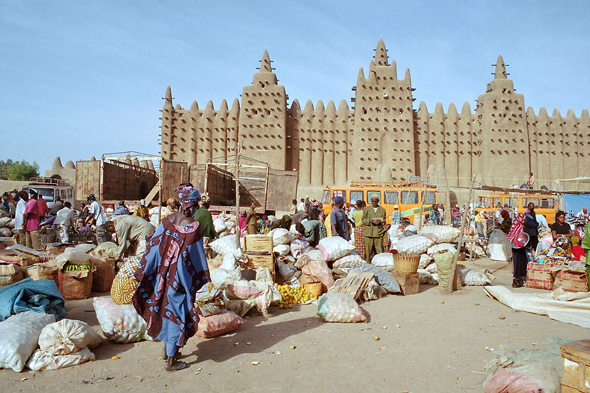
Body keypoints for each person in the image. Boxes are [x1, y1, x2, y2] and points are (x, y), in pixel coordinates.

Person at [133, 182, 209, 372]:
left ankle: (167, 351)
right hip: (179, 279)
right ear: (191, 204)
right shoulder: (194, 227)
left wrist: (148, 271)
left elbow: (154, 247)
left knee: (163, 308)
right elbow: (196, 257)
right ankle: (171, 363)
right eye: (196, 203)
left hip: (162, 276)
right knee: (177, 313)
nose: (197, 206)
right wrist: (197, 279)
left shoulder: (167, 220)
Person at [362, 194, 387, 263]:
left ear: (378, 201)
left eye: (375, 201)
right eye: (372, 201)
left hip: (378, 233)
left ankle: (380, 264)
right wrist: (370, 221)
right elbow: (363, 219)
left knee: (379, 250)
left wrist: (379, 221)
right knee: (368, 251)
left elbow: (384, 220)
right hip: (368, 233)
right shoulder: (367, 209)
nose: (374, 203)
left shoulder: (382, 210)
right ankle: (368, 264)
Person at [193, 193, 218, 258]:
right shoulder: (206, 213)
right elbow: (209, 225)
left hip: (197, 236)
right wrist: (216, 235)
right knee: (206, 255)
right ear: (207, 204)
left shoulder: (197, 212)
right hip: (205, 236)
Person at [508, 213, 527, 288]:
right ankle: (518, 277)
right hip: (517, 247)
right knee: (519, 262)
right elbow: (515, 238)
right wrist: (520, 244)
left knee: (519, 262)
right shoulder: (518, 227)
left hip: (516, 247)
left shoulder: (517, 225)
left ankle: (519, 276)